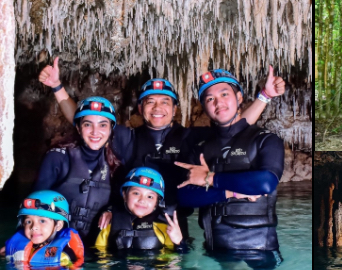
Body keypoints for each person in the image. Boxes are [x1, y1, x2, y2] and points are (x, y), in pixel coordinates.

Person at [38, 57, 284, 238]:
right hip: (129, 222)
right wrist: (58, 88)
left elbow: (235, 127)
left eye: (165, 102)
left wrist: (265, 96)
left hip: (173, 222)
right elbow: (87, 121)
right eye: (150, 102)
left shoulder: (190, 136)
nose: (158, 108)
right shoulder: (128, 138)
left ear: (175, 108)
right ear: (140, 109)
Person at [175, 69, 284, 270]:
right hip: (217, 246)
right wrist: (230, 192)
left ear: (239, 97)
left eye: (224, 94)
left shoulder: (265, 140)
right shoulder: (199, 147)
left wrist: (210, 178)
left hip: (261, 245)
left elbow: (266, 182)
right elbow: (183, 197)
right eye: (210, 99)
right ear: (204, 107)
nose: (218, 102)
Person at [33, 97, 120, 244]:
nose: (95, 131)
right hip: (55, 244)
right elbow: (34, 203)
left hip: (96, 250)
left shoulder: (115, 165)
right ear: (79, 128)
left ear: (111, 130)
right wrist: (21, 239)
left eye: (103, 125)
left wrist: (111, 211)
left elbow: (122, 201)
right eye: (88, 124)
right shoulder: (57, 157)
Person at [95, 167, 186, 253]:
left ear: (157, 202)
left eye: (150, 196)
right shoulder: (109, 224)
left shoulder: (165, 228)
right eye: (136, 193)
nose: (142, 200)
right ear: (124, 195)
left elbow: (174, 263)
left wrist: (179, 243)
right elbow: (99, 258)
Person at [2, 191, 84, 270]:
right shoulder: (17, 245)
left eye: (42, 221)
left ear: (58, 225)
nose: (34, 227)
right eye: (28, 221)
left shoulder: (63, 255)